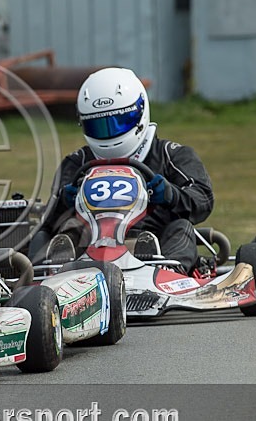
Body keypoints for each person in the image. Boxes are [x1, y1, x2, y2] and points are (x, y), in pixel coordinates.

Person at [29, 67, 214, 276]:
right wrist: (64, 200)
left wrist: (172, 195)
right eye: (99, 126)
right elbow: (48, 220)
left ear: (139, 112)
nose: (108, 133)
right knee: (64, 228)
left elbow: (203, 200)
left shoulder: (171, 155)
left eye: (118, 123)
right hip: (89, 247)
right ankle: (52, 270)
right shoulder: (76, 162)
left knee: (181, 226)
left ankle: (167, 272)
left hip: (153, 239)